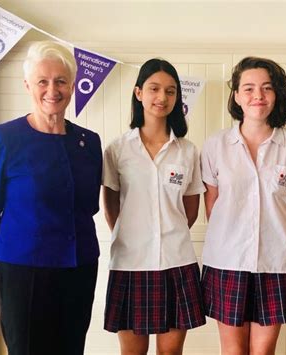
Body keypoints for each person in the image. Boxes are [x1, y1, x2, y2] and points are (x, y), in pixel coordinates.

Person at [0, 41, 102, 355]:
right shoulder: (4, 138)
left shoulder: (89, 142)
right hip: (23, 271)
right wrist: (8, 260)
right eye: (42, 81)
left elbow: (89, 206)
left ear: (72, 86)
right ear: (28, 85)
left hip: (79, 267)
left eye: (60, 81)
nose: (51, 90)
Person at [200, 57, 286, 354]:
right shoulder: (215, 146)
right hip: (227, 260)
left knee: (263, 351)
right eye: (248, 88)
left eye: (266, 88)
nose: (258, 96)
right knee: (233, 350)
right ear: (236, 95)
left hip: (276, 262)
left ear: (277, 94)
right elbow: (212, 206)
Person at [102, 58, 206, 354]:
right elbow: (111, 204)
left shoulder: (187, 151)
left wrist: (166, 232)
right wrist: (134, 234)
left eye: (171, 91)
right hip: (129, 264)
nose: (162, 98)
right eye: (154, 89)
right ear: (138, 93)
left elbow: (190, 209)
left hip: (177, 262)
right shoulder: (118, 149)